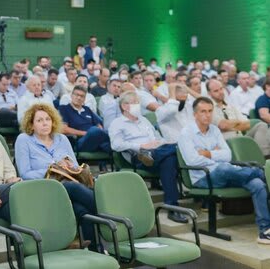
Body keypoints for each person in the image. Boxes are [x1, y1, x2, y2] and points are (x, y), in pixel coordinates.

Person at [178, 97, 270, 244]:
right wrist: (216, 155)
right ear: (195, 114)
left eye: (210, 111)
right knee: (224, 167)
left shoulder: (214, 130)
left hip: (225, 172)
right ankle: (264, 172)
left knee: (257, 184)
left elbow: (227, 155)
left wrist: (207, 153)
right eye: (203, 111)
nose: (207, 115)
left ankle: (264, 231)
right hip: (203, 177)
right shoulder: (186, 133)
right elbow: (192, 161)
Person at [15, 103, 98, 249]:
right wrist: (52, 169)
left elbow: (76, 167)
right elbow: (24, 173)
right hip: (44, 188)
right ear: (31, 125)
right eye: (39, 120)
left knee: (82, 211)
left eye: (47, 119)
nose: (45, 123)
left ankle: (95, 250)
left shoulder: (62, 139)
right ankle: (108, 210)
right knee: (72, 187)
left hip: (70, 187)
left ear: (53, 121)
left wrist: (68, 165)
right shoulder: (24, 140)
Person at [109, 91, 187, 223]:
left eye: (138, 103)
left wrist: (160, 143)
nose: (137, 106)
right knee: (172, 156)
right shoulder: (117, 123)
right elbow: (116, 145)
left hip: (156, 154)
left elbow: (157, 137)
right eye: (134, 103)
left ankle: (172, 207)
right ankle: (173, 208)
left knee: (169, 160)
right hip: (137, 157)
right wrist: (140, 146)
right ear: (124, 106)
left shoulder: (144, 120)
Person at [208, 79, 270, 157]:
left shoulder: (229, 106)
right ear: (209, 93)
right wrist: (237, 124)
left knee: (262, 125)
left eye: (221, 89)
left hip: (241, 137)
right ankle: (264, 160)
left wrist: (231, 124)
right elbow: (223, 125)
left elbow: (247, 124)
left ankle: (266, 157)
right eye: (216, 91)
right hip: (227, 142)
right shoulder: (209, 108)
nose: (220, 92)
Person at [59, 86, 111, 154]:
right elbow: (63, 129)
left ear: (84, 99)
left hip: (95, 139)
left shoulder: (87, 109)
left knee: (109, 145)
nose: (79, 98)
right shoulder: (64, 109)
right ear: (71, 96)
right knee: (94, 130)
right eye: (76, 95)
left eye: (82, 96)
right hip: (80, 141)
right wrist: (86, 133)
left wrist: (97, 133)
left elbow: (98, 125)